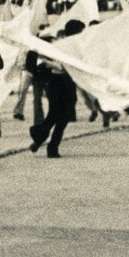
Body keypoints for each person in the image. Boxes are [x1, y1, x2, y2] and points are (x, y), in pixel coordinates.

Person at [28, 22, 82, 159]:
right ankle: (49, 145)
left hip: (67, 82)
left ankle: (40, 137)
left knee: (63, 116)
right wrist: (52, 64)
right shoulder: (63, 45)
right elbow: (54, 63)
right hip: (57, 81)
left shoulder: (75, 46)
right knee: (56, 114)